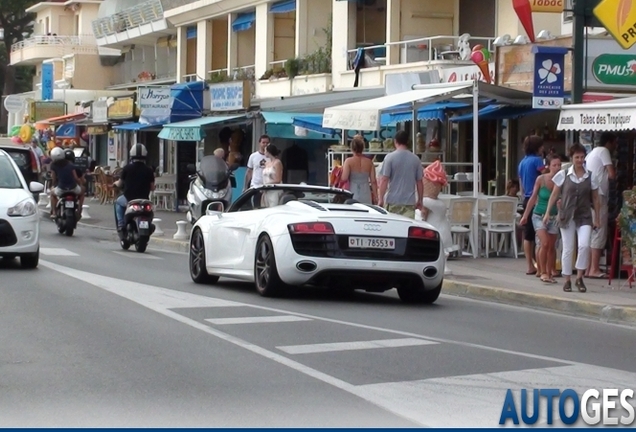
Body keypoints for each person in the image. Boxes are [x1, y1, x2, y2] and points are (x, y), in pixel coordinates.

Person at [544, 143, 601, 293]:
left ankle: (580, 277)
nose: (580, 160)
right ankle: (567, 279)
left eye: (582, 157)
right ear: (572, 158)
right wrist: (548, 212)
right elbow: (555, 194)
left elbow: (595, 198)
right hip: (566, 215)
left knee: (584, 245)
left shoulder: (590, 176)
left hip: (584, 215)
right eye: (577, 157)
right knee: (568, 248)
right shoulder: (564, 174)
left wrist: (598, 218)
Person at [520, 155, 562, 284]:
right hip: (539, 215)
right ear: (548, 166)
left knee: (551, 246)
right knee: (544, 243)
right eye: (554, 165)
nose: (557, 168)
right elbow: (533, 198)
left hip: (554, 216)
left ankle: (550, 272)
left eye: (559, 165)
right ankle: (543, 272)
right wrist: (525, 215)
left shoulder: (561, 181)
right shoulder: (541, 179)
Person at [585, 132, 617, 279]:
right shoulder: (604, 151)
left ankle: (588, 268)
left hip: (592, 194)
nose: (615, 146)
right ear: (609, 142)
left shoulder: (591, 152)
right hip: (600, 194)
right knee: (599, 230)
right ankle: (595, 269)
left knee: (593, 231)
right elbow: (611, 174)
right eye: (614, 143)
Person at [377, 130, 423, 219]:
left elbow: (384, 179)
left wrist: (381, 198)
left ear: (395, 141)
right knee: (407, 229)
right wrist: (420, 200)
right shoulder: (415, 159)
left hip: (392, 201)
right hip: (409, 202)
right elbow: (419, 182)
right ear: (408, 142)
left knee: (393, 229)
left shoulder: (389, 158)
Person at [113, 143, 155, 237]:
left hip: (129, 200)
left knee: (117, 202)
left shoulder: (127, 168)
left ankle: (120, 224)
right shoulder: (149, 170)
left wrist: (115, 184)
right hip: (144, 200)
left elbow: (119, 183)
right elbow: (152, 187)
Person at [518, 135, 546, 275]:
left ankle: (530, 264)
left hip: (526, 198)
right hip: (538, 198)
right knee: (539, 232)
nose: (543, 148)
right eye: (541, 146)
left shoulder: (523, 162)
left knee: (527, 234)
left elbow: (521, 182)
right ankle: (541, 266)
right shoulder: (537, 161)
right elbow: (546, 176)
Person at [340, 135, 378, 204]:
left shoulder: (348, 161)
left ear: (352, 148)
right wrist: (376, 196)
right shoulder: (369, 162)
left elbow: (344, 178)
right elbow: (373, 181)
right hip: (366, 194)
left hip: (352, 193)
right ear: (363, 148)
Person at [49, 147, 83, 219]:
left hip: (61, 189)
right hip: (73, 188)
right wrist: (81, 184)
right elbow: (76, 178)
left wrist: (52, 186)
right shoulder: (70, 164)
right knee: (82, 192)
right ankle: (79, 210)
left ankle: (54, 212)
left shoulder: (53, 166)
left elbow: (54, 179)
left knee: (52, 194)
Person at [244, 135, 270, 208]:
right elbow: (249, 171)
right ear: (259, 143)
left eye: (267, 143)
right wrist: (245, 186)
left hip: (268, 186)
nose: (265, 145)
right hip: (256, 185)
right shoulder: (253, 156)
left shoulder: (271, 157)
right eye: (263, 142)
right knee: (256, 206)